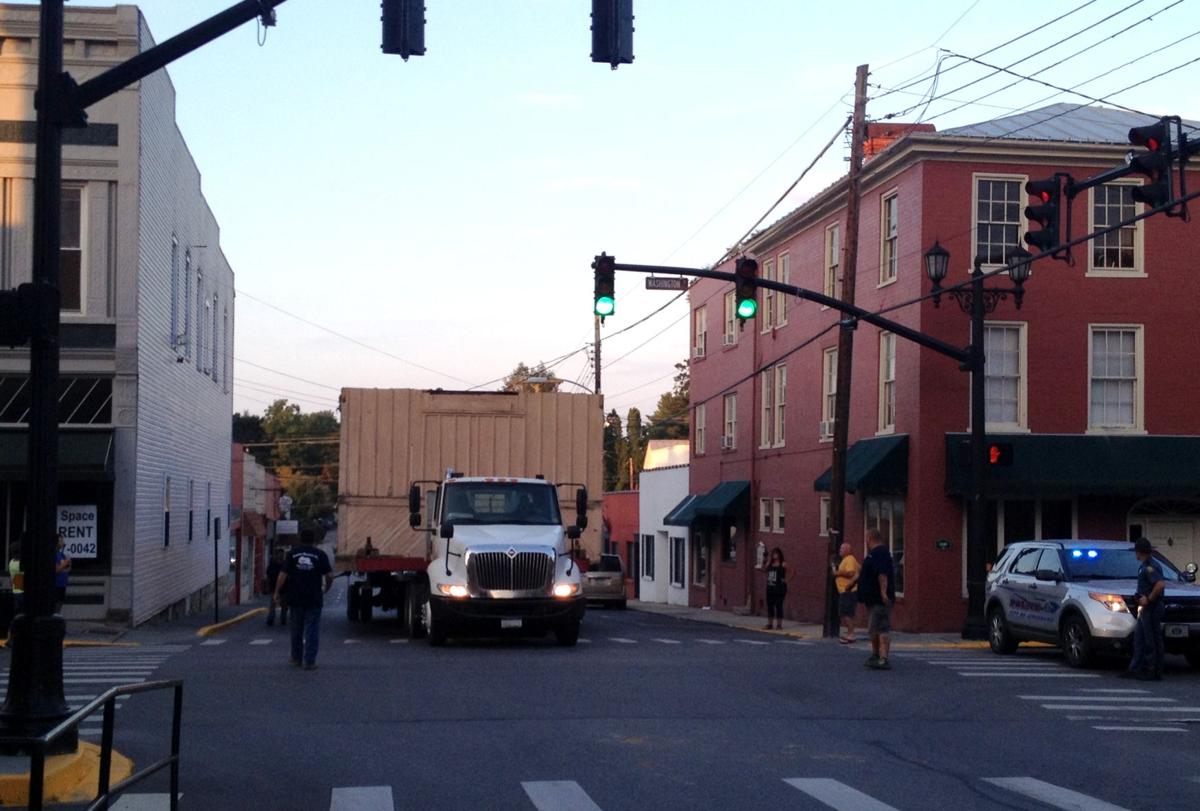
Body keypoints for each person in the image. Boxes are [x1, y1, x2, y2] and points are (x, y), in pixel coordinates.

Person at [274, 528, 333, 670]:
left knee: (296, 629)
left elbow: (283, 574)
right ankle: (310, 661)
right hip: (313, 597)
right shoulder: (320, 555)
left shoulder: (292, 554)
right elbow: (329, 575)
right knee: (312, 629)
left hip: (296, 596)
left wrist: (276, 591)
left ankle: (296, 658)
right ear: (313, 540)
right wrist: (327, 588)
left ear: (300, 540)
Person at [1122, 537, 1166, 681]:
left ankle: (1153, 670)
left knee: (1151, 639)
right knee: (1139, 638)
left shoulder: (1150, 566)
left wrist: (1148, 599)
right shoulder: (1144, 565)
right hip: (1145, 608)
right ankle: (1135, 668)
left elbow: (1159, 585)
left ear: (1139, 551)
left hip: (1152, 608)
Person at [857, 528, 895, 670]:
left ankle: (883, 658)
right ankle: (875, 655)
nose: (866, 541)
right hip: (872, 599)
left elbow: (882, 574)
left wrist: (883, 594)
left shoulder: (880, 553)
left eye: (866, 537)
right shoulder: (873, 554)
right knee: (874, 628)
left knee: (881, 628)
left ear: (870, 537)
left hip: (879, 600)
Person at [834, 542, 861, 644]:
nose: (840, 550)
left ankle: (851, 634)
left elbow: (851, 573)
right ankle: (850, 633)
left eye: (842, 548)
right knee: (845, 613)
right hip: (846, 591)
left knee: (846, 613)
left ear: (847, 550)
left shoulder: (849, 559)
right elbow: (859, 569)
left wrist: (838, 573)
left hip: (848, 591)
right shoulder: (849, 560)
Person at [763, 547, 790, 631]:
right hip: (770, 587)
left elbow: (793, 571)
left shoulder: (783, 564)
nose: (774, 555)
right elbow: (764, 570)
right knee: (770, 606)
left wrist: (786, 580)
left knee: (779, 606)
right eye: (773, 553)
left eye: (776, 553)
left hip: (780, 588)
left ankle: (779, 625)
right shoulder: (770, 564)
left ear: (779, 554)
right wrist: (765, 562)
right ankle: (770, 624)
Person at [265, 547, 287, 627]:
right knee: (273, 603)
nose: (281, 556)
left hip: (284, 587)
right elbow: (268, 575)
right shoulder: (273, 564)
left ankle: (283, 618)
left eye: (282, 554)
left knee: (284, 604)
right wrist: (268, 585)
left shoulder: (285, 564)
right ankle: (271, 618)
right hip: (274, 586)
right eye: (280, 554)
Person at [54, 534, 71, 614]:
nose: (63, 543)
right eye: (61, 541)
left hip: (62, 585)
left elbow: (67, 569)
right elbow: (56, 569)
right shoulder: (54, 554)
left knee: (60, 604)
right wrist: (66, 562)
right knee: (56, 605)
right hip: (56, 585)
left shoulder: (61, 554)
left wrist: (68, 563)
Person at [8, 538, 22, 616]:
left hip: (15, 590)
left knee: (17, 613)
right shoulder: (19, 564)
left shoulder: (11, 562)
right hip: (21, 591)